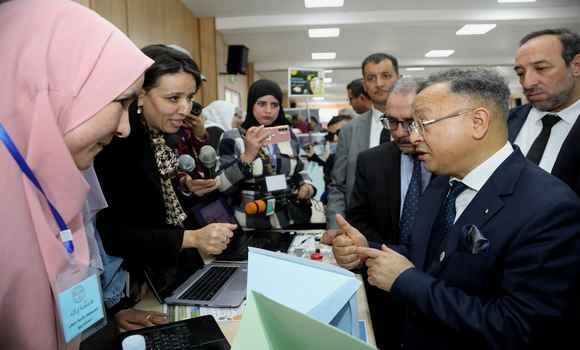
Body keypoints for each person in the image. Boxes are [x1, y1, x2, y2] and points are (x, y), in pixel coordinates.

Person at [333, 68, 580, 349]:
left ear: (478, 122)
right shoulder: (442, 184)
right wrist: (366, 251)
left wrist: (407, 282)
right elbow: (425, 255)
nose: (413, 138)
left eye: (423, 124)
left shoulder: (549, 208)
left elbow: (516, 327)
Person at [0, 0, 153, 348]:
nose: (125, 129)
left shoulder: (54, 183)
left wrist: (102, 327)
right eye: (122, 103)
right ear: (56, 89)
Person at [95, 45, 236, 286]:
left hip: (171, 271)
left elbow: (159, 199)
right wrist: (191, 238)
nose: (185, 109)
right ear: (140, 94)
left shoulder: (163, 137)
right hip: (137, 281)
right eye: (173, 98)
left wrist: (186, 186)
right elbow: (116, 236)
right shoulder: (116, 147)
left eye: (189, 98)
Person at [333, 78, 431, 349]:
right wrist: (352, 248)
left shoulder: (449, 162)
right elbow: (359, 221)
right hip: (381, 294)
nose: (399, 133)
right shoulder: (371, 161)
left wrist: (374, 250)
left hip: (435, 293)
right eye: (391, 122)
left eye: (409, 122)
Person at [217, 79, 316, 229]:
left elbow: (300, 169)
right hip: (249, 222)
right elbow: (222, 186)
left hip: (288, 219)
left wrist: (306, 185)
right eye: (262, 104)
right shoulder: (233, 137)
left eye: (274, 105)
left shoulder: (287, 135)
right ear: (251, 105)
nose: (268, 110)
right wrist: (247, 157)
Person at [326, 53, 400, 232]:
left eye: (386, 76)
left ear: (398, 78)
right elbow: (338, 185)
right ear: (365, 85)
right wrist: (337, 228)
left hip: (407, 226)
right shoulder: (350, 131)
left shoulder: (417, 124)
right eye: (371, 78)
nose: (379, 83)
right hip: (361, 229)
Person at [510, 28, 580, 197]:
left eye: (541, 68)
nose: (527, 83)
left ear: (576, 66)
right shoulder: (504, 123)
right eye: (521, 73)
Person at [305, 115, 352, 204]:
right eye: (330, 135)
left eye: (340, 133)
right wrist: (314, 157)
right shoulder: (333, 157)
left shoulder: (366, 155)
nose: (335, 139)